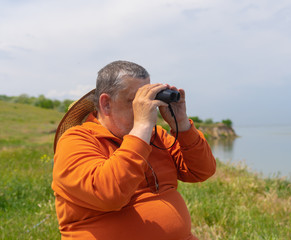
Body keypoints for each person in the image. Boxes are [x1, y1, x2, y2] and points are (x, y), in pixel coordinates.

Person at [52, 60, 216, 240]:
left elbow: (202, 171)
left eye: (148, 101)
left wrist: (182, 123)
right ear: (106, 104)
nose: (146, 108)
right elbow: (109, 195)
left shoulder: (155, 137)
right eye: (136, 102)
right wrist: (142, 128)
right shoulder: (76, 140)